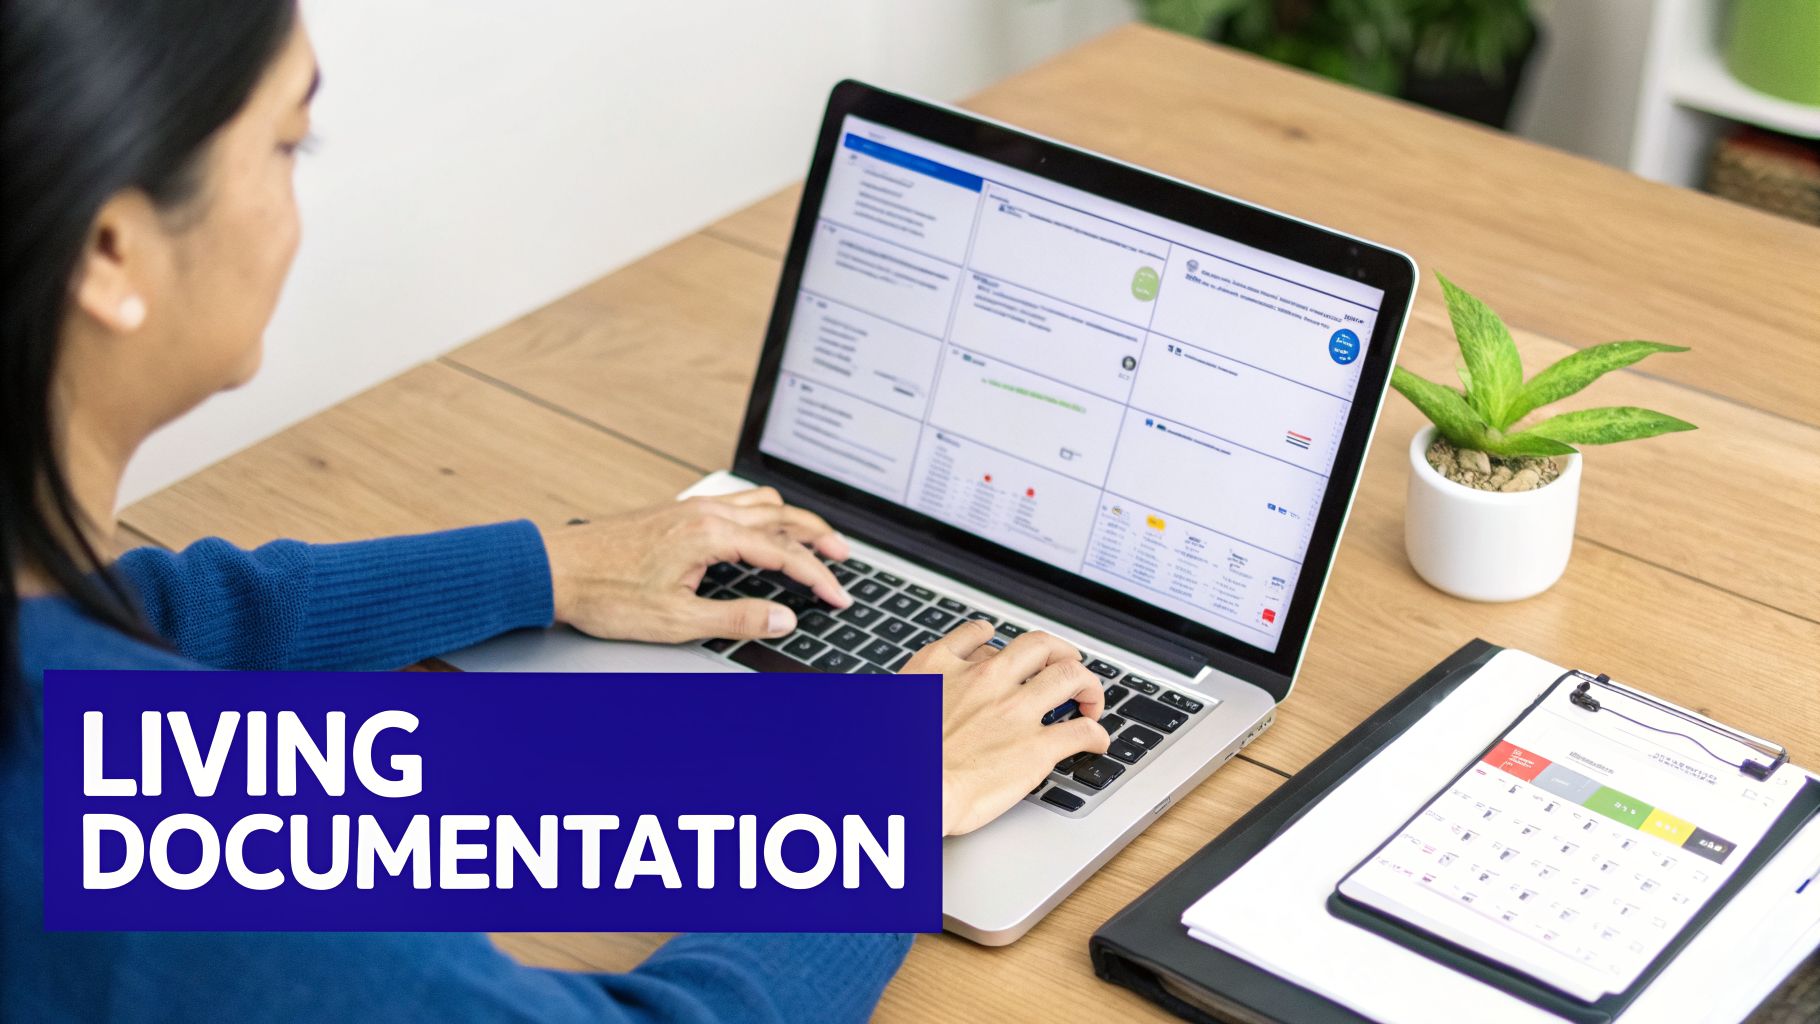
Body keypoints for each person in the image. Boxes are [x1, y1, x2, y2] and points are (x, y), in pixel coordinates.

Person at [0, 2, 1114, 1021]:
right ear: (111, 248)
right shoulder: (110, 848)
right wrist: (881, 803)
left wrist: (543, 570)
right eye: (289, 144)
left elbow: (141, 618)